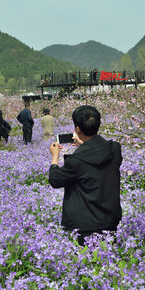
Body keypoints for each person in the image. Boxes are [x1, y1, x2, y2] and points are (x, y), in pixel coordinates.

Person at [48, 105, 122, 246]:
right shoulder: (114, 149)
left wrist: (55, 156)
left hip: (87, 225)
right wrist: (85, 145)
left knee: (89, 263)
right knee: (108, 263)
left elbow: (55, 179)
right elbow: (97, 159)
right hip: (110, 220)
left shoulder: (77, 161)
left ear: (78, 129)